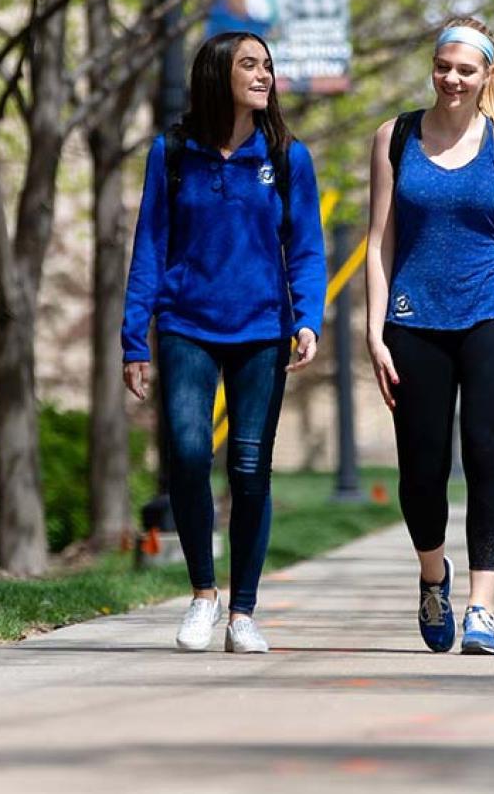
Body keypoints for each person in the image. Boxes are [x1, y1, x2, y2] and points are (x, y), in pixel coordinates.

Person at [122, 32, 326, 654]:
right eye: (250, 65)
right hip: (185, 326)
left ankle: (242, 612)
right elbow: (150, 246)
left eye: (267, 65)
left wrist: (307, 317)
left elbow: (308, 247)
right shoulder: (174, 153)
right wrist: (136, 339)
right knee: (186, 454)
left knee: (248, 470)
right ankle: (201, 595)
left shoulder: (288, 156)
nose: (264, 74)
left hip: (262, 332)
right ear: (218, 74)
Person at [364, 16, 494, 656]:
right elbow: (380, 242)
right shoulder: (394, 138)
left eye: (466, 70)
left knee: (485, 459)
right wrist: (374, 329)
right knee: (421, 471)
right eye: (444, 66)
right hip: (414, 319)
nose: (452, 78)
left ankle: (482, 606)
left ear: (486, 76)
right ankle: (432, 575)